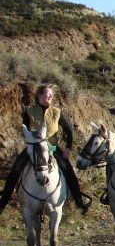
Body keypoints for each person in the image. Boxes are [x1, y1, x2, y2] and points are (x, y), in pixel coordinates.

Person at [0, 84, 91, 215]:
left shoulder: (57, 112)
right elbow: (23, 130)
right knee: (16, 168)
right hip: (34, 147)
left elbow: (69, 131)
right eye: (48, 94)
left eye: (51, 95)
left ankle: (79, 202)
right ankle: (2, 203)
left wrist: (68, 148)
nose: (50, 96)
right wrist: (31, 141)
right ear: (40, 95)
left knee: (68, 170)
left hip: (53, 148)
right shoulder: (29, 111)